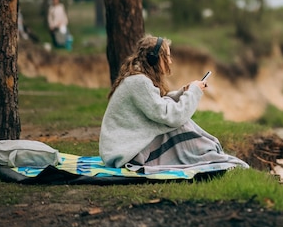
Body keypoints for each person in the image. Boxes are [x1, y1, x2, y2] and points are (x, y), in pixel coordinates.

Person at [99, 35, 249, 172]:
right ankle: (210, 153)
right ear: (155, 59)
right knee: (180, 126)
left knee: (177, 126)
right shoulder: (139, 82)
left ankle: (209, 152)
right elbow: (172, 116)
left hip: (121, 147)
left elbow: (158, 104)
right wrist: (193, 92)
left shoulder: (138, 79)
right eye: (167, 57)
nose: (170, 61)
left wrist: (184, 91)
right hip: (124, 152)